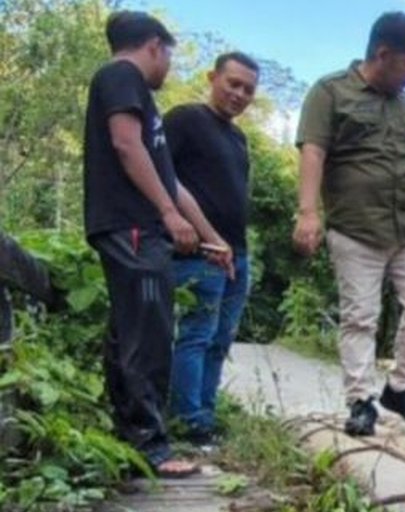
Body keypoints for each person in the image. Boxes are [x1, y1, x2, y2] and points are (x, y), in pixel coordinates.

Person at [83, 10, 233, 477]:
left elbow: (172, 183)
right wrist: (167, 214)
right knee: (147, 335)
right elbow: (126, 145)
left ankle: (130, 442)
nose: (168, 65)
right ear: (154, 46)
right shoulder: (121, 76)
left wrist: (212, 238)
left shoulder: (140, 100)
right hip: (131, 225)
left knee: (130, 331)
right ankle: (150, 447)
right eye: (168, 55)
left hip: (140, 228)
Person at [292, 11, 405, 437]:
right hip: (356, 227)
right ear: (382, 54)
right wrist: (308, 212)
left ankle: (402, 387)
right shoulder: (330, 92)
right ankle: (361, 401)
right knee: (360, 316)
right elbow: (313, 152)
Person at [165, 52, 259, 447]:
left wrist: (235, 247)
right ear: (212, 77)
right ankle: (188, 422)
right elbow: (162, 176)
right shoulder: (184, 119)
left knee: (221, 340)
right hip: (199, 251)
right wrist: (192, 228)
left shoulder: (238, 139)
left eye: (248, 90)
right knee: (197, 334)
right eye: (233, 83)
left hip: (236, 253)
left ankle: (205, 415)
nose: (239, 94)